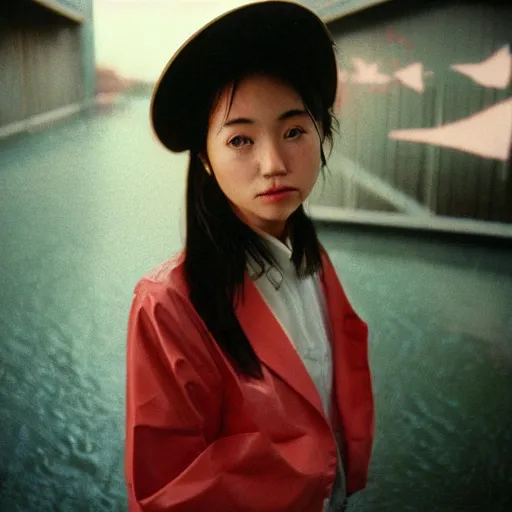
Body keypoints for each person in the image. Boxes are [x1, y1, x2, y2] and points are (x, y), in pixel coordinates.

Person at [124, 1, 374, 511]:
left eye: (294, 131)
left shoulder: (312, 258)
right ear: (207, 163)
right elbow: (164, 493)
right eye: (240, 138)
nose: (274, 163)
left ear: (321, 133)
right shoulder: (169, 305)